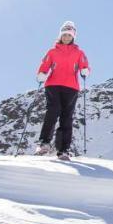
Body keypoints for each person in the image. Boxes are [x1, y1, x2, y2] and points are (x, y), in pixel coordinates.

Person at [35, 21, 90, 160]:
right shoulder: (52, 51)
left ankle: (63, 150)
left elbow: (86, 66)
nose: (66, 37)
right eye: (64, 34)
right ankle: (44, 143)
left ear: (73, 37)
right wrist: (42, 73)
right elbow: (45, 64)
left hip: (71, 87)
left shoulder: (79, 52)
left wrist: (85, 71)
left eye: (69, 35)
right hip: (53, 84)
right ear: (60, 35)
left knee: (67, 117)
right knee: (53, 111)